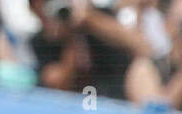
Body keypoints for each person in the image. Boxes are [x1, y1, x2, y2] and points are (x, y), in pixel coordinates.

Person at [29, 0, 164, 104]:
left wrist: (89, 20)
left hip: (117, 100)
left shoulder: (99, 17)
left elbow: (143, 48)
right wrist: (70, 37)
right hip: (75, 106)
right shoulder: (41, 40)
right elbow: (58, 83)